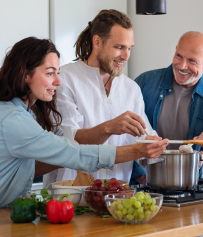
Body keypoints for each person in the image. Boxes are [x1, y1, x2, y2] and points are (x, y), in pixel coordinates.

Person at [0, 37, 167, 215]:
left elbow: (32, 166)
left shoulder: (20, 115)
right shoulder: (13, 121)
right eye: (50, 73)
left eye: (57, 73)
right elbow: (70, 152)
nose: (58, 81)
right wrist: (134, 151)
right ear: (26, 75)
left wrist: (62, 156)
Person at [43, 10, 161, 188]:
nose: (126, 56)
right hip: (70, 197)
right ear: (97, 42)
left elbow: (145, 141)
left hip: (116, 197)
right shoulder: (64, 79)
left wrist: (169, 149)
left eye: (129, 48)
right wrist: (110, 127)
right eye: (119, 47)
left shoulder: (132, 89)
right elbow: (68, 143)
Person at [134, 31, 203, 174]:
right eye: (179, 56)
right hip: (141, 181)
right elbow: (122, 135)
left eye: (192, 61)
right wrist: (140, 174)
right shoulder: (144, 82)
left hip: (187, 181)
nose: (182, 66)